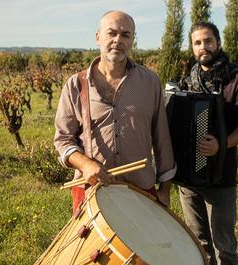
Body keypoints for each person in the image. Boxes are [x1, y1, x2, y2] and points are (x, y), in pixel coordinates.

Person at [54, 10, 175, 211]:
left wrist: (165, 190)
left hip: (141, 190)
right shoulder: (75, 85)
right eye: (111, 33)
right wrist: (85, 164)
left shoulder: (150, 82)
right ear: (98, 37)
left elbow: (162, 137)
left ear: (132, 41)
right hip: (91, 190)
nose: (118, 40)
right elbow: (63, 139)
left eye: (125, 35)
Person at [178, 22, 238, 265]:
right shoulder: (186, 82)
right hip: (188, 179)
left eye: (208, 41)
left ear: (218, 42)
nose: (204, 47)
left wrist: (221, 145)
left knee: (224, 246)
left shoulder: (237, 78)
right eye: (198, 43)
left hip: (221, 177)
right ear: (192, 47)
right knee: (198, 243)